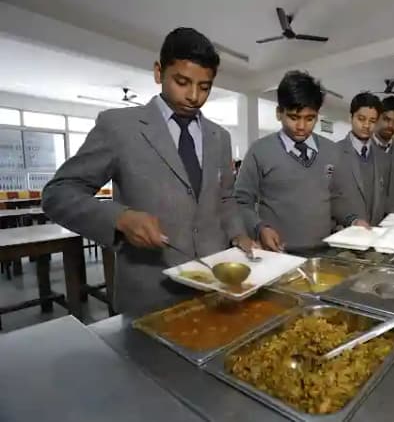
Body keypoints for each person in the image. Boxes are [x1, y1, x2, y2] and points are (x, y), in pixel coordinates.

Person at [42, 28, 255, 313]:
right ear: (158, 72)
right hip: (151, 292)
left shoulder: (220, 137)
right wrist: (120, 218)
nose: (194, 96)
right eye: (182, 82)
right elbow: (58, 193)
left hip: (216, 286)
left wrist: (239, 234)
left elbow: (225, 197)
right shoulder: (119, 127)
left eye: (204, 87)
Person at [234, 71, 364, 252]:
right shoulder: (260, 151)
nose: (301, 127)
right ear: (279, 113)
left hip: (323, 253)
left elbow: (336, 198)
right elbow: (240, 201)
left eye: (310, 119)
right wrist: (259, 228)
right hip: (278, 253)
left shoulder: (332, 151)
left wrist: (353, 220)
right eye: (293, 117)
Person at [333, 92, 391, 226]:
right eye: (361, 119)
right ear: (350, 118)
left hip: (376, 231)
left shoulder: (384, 157)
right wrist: (352, 220)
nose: (366, 125)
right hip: (347, 231)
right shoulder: (334, 152)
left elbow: (384, 198)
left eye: (372, 121)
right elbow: (331, 199)